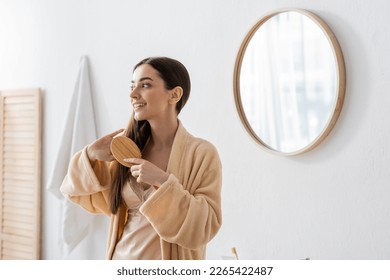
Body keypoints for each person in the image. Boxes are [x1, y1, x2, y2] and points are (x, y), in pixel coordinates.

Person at [60, 56, 222, 260]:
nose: (133, 94)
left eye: (145, 85)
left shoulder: (202, 154)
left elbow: (205, 226)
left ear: (174, 94)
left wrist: (161, 181)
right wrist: (91, 155)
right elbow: (79, 193)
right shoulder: (127, 150)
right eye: (132, 86)